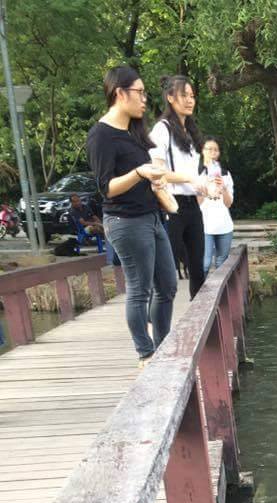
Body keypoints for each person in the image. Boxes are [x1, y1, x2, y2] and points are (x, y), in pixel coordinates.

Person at [86, 65, 177, 368]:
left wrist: (158, 179)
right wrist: (138, 173)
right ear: (119, 93)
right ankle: (145, 352)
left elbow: (150, 171)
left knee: (168, 286)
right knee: (140, 289)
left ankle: (161, 346)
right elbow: (106, 188)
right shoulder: (102, 135)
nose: (144, 99)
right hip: (125, 222)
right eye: (139, 92)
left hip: (151, 217)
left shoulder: (134, 131)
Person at [148, 75, 207, 298]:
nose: (190, 100)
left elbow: (193, 175)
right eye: (184, 95)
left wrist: (203, 187)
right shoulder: (162, 130)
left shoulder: (190, 132)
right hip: (171, 206)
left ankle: (200, 324)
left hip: (192, 206)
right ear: (170, 97)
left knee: (198, 268)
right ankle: (156, 323)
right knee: (167, 270)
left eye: (192, 96)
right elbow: (157, 172)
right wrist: (189, 180)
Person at [198, 137, 234, 275]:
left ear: (219, 153)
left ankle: (218, 296)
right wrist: (204, 187)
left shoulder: (225, 174)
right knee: (205, 264)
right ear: (202, 151)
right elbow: (197, 203)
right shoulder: (197, 174)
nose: (212, 152)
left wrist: (223, 188)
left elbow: (229, 203)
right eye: (209, 149)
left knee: (221, 263)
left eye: (216, 149)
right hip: (204, 225)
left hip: (224, 225)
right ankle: (200, 295)